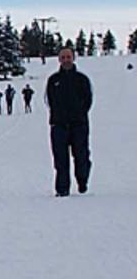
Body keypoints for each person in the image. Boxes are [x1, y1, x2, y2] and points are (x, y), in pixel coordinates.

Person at [45, 46, 93, 197]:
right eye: (63, 57)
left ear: (73, 58)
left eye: (68, 57)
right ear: (59, 59)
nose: (66, 60)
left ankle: (82, 180)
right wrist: (57, 115)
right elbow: (48, 100)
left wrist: (79, 114)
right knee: (60, 158)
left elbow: (88, 100)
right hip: (58, 125)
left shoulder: (82, 80)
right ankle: (62, 189)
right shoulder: (53, 80)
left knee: (81, 156)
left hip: (79, 125)